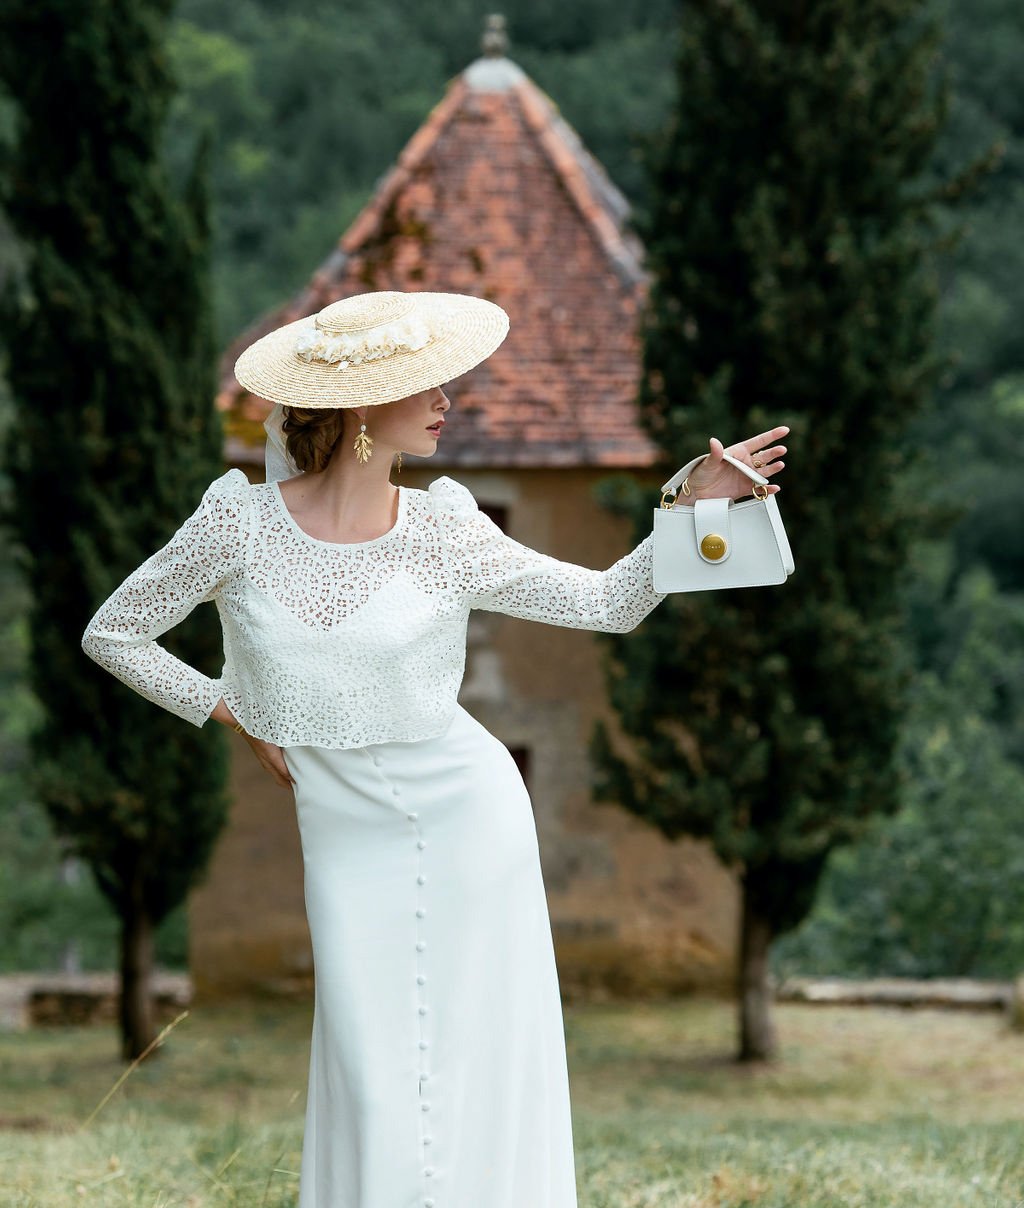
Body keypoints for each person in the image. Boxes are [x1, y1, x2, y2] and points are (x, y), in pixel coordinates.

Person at [81, 290, 788, 1208]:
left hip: (470, 819)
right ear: (364, 405)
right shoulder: (236, 523)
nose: (450, 398)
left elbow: (606, 604)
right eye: (427, 384)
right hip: (345, 835)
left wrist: (686, 503)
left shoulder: (446, 529)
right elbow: (115, 632)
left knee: (477, 1064)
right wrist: (225, 706)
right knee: (373, 1073)